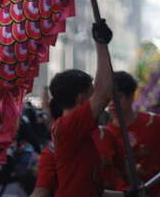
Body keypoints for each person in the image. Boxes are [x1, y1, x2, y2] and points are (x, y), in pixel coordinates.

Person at [48, 17, 114, 197]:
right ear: (80, 98)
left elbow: (88, 188)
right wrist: (101, 45)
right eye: (91, 93)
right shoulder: (68, 126)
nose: (96, 98)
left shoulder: (78, 129)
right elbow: (104, 94)